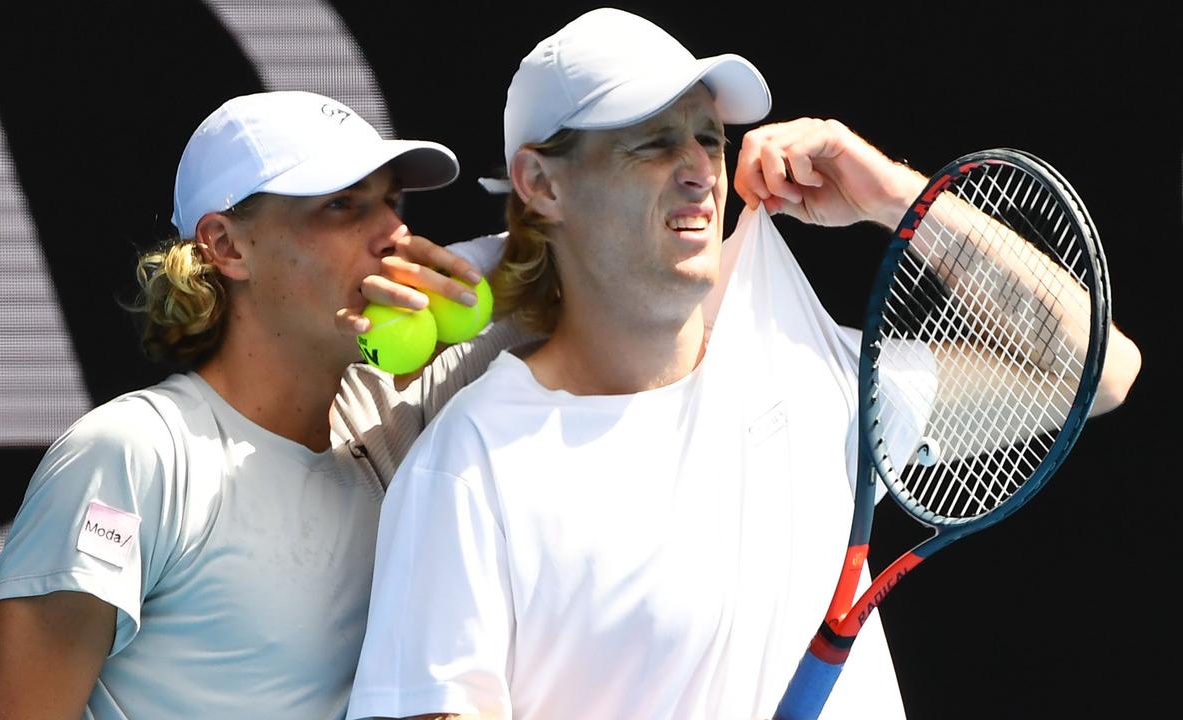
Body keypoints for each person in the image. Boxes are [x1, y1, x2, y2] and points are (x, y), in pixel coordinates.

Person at [345, 8, 1142, 720]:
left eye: (709, 137)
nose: (699, 166)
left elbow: (1100, 371)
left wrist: (897, 199)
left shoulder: (822, 378)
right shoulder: (469, 467)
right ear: (541, 184)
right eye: (652, 141)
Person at [0, 90, 528, 720]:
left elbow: (584, 258)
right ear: (227, 246)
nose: (395, 234)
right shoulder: (134, 453)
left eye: (391, 202)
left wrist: (464, 274)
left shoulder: (397, 418)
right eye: (343, 206)